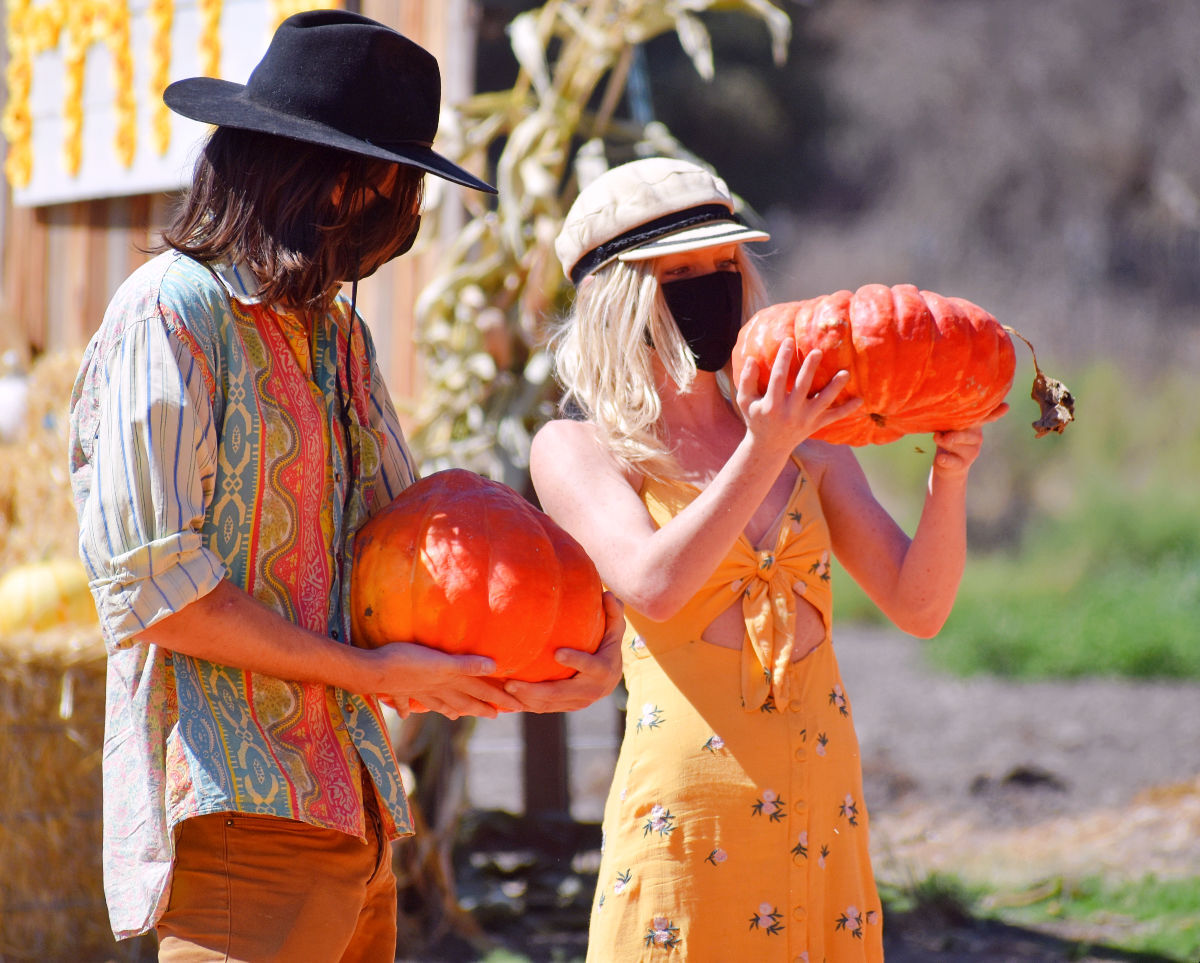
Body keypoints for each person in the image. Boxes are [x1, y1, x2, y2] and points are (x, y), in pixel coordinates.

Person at [68, 11, 622, 961]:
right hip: (239, 812)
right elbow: (157, 590)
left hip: (352, 810)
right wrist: (373, 675)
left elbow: (410, 561)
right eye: (388, 187)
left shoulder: (336, 338)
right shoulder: (171, 315)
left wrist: (559, 658)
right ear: (324, 181)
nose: (392, 220)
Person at [530, 156, 1007, 961]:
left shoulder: (812, 442)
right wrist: (764, 444)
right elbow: (654, 584)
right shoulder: (579, 448)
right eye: (679, 272)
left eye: (722, 265)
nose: (709, 286)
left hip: (821, 803)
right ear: (621, 299)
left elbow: (918, 607)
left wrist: (948, 474)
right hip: (685, 814)